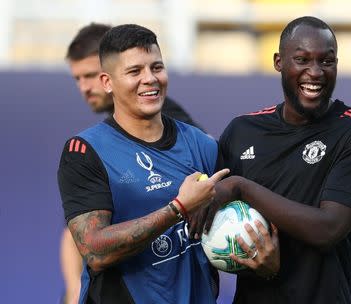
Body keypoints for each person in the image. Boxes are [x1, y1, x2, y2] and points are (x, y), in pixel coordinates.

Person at [192, 16, 351, 303]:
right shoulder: (242, 131)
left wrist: (241, 187)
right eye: (302, 59)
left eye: (327, 61)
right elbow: (212, 223)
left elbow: (329, 228)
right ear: (278, 62)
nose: (316, 72)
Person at [58, 23, 229, 304]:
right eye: (134, 71)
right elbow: (95, 251)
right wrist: (179, 209)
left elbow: (231, 214)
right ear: (107, 82)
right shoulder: (84, 151)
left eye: (157, 67)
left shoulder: (202, 144)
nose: (150, 78)